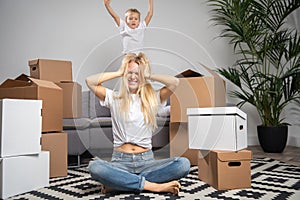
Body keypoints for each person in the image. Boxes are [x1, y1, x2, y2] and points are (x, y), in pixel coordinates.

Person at [86, 53, 190, 195]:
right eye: (129, 72)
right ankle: (152, 186)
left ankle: (119, 184)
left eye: (137, 73)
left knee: (183, 164)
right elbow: (90, 81)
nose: (133, 76)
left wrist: (148, 75)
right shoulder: (114, 97)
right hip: (120, 161)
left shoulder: (153, 98)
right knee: (95, 167)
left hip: (146, 161)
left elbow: (174, 83)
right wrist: (118, 72)